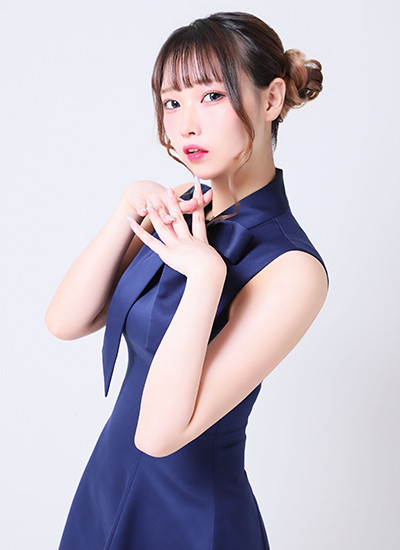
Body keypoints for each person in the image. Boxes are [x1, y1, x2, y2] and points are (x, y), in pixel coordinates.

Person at [46, 11, 329, 550]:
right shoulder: (181, 210)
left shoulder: (292, 267)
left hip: (193, 523)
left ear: (271, 99)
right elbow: (65, 321)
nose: (185, 125)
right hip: (107, 488)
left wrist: (205, 277)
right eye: (172, 102)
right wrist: (126, 208)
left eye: (212, 96)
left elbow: (160, 435)